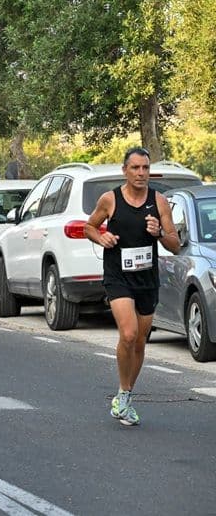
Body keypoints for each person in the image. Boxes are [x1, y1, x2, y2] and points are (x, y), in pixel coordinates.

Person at [84, 147, 180, 426]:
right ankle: (124, 395)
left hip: (146, 278)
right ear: (125, 171)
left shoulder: (159, 202)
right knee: (128, 333)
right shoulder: (109, 199)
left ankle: (125, 393)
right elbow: (89, 227)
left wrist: (159, 233)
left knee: (139, 341)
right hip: (117, 276)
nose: (141, 173)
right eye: (135, 168)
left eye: (145, 168)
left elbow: (175, 243)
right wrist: (100, 238)